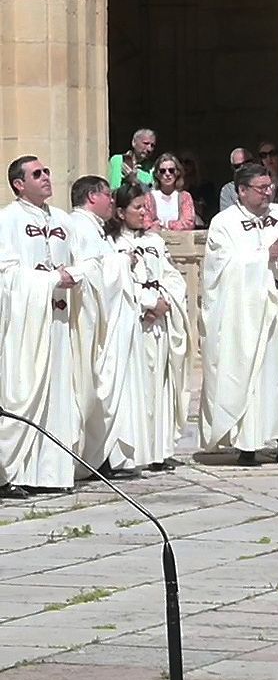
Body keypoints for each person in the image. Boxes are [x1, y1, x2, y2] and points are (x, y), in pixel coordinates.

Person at [200, 163, 278, 465]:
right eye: (260, 188)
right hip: (247, 315)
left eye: (270, 187)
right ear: (241, 191)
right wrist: (262, 258)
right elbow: (220, 267)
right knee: (252, 376)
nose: (268, 193)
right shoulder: (224, 223)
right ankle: (248, 445)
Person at [0, 156, 94, 496]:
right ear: (18, 184)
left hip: (58, 321)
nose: (46, 178)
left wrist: (77, 274)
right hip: (25, 327)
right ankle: (12, 473)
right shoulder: (7, 220)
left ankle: (50, 472)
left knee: (58, 394)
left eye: (47, 172)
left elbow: (88, 259)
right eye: (37, 174)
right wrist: (51, 279)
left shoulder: (63, 220)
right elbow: (6, 274)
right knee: (23, 391)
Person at [110, 182, 190, 472]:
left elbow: (171, 275)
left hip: (159, 320)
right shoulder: (114, 244)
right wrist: (146, 303)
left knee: (160, 387)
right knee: (138, 388)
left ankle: (159, 449)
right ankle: (134, 452)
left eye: (146, 206)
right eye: (137, 207)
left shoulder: (155, 241)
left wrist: (165, 301)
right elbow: (118, 282)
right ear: (120, 212)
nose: (145, 213)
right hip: (136, 321)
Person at [69, 176, 145, 479]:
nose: (112, 202)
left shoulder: (95, 229)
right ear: (91, 197)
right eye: (106, 196)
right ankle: (96, 455)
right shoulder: (81, 227)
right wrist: (121, 262)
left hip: (111, 318)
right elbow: (89, 271)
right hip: (96, 322)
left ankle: (107, 453)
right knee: (99, 387)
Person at [148, 153, 198, 231]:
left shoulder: (185, 196)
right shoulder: (149, 197)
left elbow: (189, 223)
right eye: (162, 171)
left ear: (178, 172)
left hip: (179, 241)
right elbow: (146, 223)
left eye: (171, 170)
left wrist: (167, 226)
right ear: (157, 174)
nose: (167, 174)